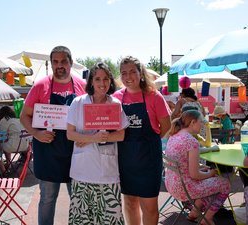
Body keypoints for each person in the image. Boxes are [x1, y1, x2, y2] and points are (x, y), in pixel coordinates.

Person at [20, 46, 86, 225]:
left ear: (71, 63)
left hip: (76, 153)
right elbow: (24, 116)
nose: (60, 66)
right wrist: (36, 133)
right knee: (48, 199)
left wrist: (86, 136)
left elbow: (90, 116)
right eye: (55, 62)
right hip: (48, 153)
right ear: (51, 64)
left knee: (79, 199)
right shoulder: (40, 86)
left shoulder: (83, 86)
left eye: (63, 61)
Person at [67, 62, 129, 224]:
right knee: (83, 219)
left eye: (106, 79)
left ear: (110, 81)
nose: (102, 83)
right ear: (91, 82)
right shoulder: (78, 103)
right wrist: (92, 138)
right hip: (82, 172)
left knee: (110, 218)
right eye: (98, 79)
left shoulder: (115, 104)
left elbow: (121, 135)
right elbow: (70, 134)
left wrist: (96, 138)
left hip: (107, 173)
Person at [113, 56, 171, 225]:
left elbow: (166, 126)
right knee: (130, 203)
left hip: (148, 160)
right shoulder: (116, 98)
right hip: (125, 160)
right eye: (124, 73)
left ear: (141, 73)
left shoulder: (154, 96)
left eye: (132, 71)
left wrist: (148, 142)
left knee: (150, 207)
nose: (128, 76)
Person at [165, 110, 230, 225]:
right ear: (192, 122)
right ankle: (207, 219)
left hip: (171, 185)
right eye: (201, 122)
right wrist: (210, 173)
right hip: (185, 189)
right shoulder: (191, 141)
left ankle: (194, 212)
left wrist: (204, 172)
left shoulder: (174, 136)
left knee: (209, 178)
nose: (203, 125)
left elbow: (184, 166)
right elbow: (195, 175)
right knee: (225, 184)